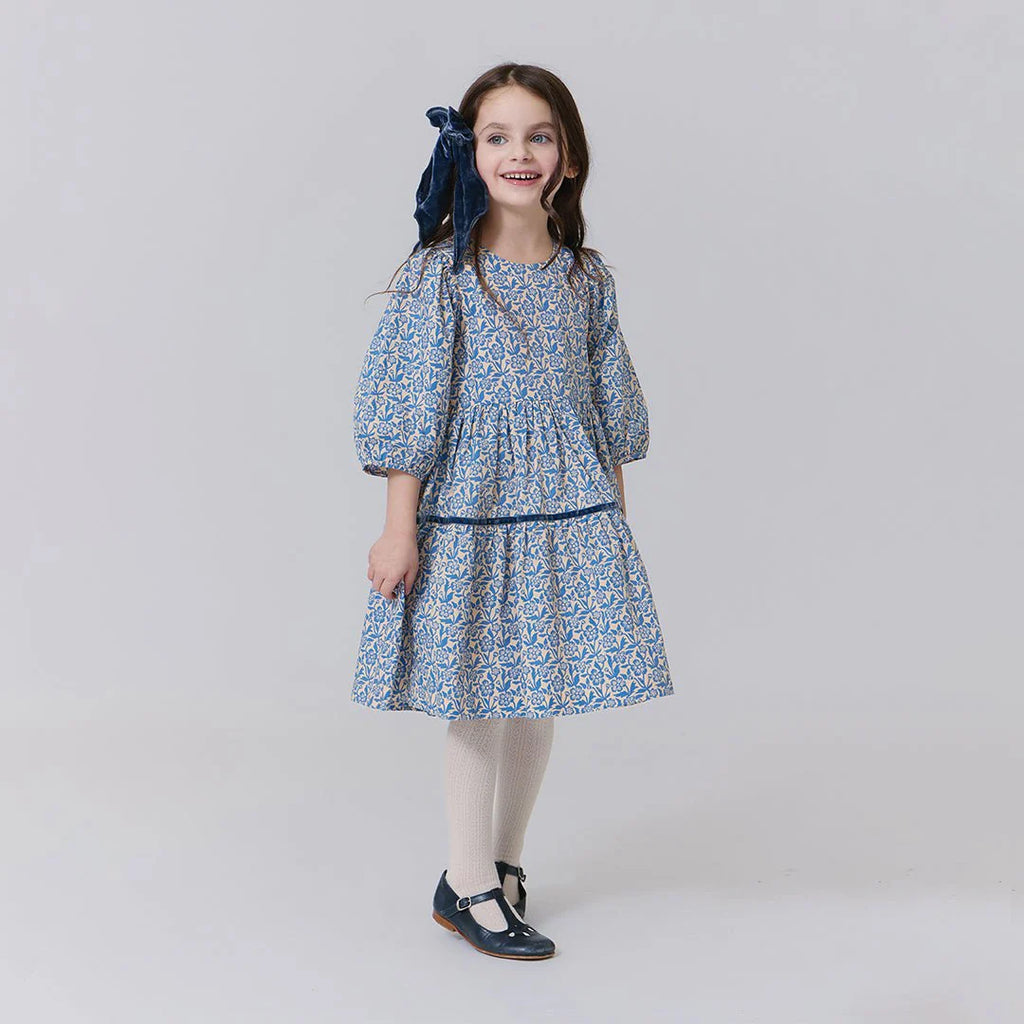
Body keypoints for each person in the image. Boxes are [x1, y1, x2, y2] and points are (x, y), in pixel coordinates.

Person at [350, 63, 674, 961]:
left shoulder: (584, 278)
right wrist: (398, 528)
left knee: (539, 691)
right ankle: (464, 882)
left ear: (568, 155)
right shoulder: (444, 274)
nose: (518, 153)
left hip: (567, 513)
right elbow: (412, 405)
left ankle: (502, 864)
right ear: (469, 152)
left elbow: (607, 409)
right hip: (472, 510)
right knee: (478, 691)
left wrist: (614, 524)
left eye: (539, 136)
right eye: (497, 136)